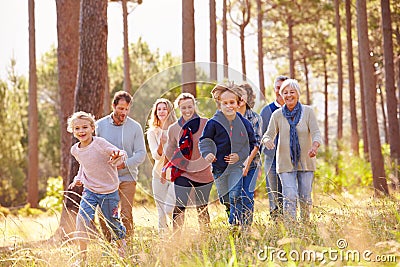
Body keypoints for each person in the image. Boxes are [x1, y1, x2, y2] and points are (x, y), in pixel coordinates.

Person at [67, 111, 127, 262]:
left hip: (109, 191)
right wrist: (78, 179)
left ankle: (122, 249)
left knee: (113, 222)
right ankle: (82, 258)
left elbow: (121, 153)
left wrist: (118, 155)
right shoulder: (75, 150)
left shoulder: (99, 143)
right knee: (81, 220)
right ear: (72, 131)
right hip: (90, 191)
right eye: (77, 128)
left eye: (85, 127)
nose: (81, 131)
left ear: (92, 128)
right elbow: (83, 166)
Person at [262, 79, 322, 222]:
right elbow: (267, 135)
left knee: (305, 197)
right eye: (285, 92)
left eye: (292, 92)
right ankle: (292, 228)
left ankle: (306, 225)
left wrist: (314, 146)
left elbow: (316, 133)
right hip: (285, 162)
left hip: (306, 161)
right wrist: (267, 141)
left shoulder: (308, 112)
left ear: (298, 94)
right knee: (289, 195)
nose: (288, 95)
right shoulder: (277, 115)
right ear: (281, 95)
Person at [199, 83, 256, 229]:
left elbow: (250, 143)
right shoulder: (213, 123)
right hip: (219, 168)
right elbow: (204, 141)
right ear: (220, 105)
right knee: (225, 198)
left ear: (238, 104)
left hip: (236, 167)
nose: (229, 106)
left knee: (235, 195)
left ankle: (234, 224)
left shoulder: (244, 123)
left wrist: (239, 155)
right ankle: (232, 213)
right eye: (225, 103)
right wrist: (208, 153)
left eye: (232, 103)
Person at [96, 91, 146, 238]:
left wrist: (124, 164)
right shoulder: (99, 126)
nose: (124, 112)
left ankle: (127, 246)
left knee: (125, 214)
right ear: (113, 106)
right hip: (105, 179)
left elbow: (141, 153)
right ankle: (109, 246)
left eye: (126, 109)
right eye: (121, 108)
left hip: (127, 178)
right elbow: (95, 150)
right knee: (104, 215)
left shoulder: (135, 127)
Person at [162, 93, 214, 232]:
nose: (187, 110)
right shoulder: (174, 128)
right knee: (180, 205)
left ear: (194, 106)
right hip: (183, 172)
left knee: (202, 207)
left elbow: (214, 143)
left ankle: (206, 235)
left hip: (204, 172)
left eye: (190, 106)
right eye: (183, 107)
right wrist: (164, 170)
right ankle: (177, 237)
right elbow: (170, 150)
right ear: (179, 108)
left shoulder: (206, 123)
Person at [146, 98, 177, 234]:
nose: (162, 111)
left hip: (176, 175)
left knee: (171, 208)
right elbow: (156, 156)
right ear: (155, 112)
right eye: (159, 109)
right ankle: (163, 240)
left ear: (169, 111)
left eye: (164, 108)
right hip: (158, 174)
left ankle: (178, 236)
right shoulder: (152, 132)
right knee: (161, 211)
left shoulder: (177, 128)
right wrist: (161, 143)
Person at [259, 75, 288, 219]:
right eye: (278, 88)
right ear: (274, 89)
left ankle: (293, 223)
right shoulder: (266, 111)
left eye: (284, 88)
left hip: (291, 159)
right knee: (274, 194)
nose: (280, 91)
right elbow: (259, 137)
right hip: (271, 160)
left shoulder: (296, 110)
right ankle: (277, 224)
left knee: (291, 193)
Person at [237, 83, 262, 227]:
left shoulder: (255, 118)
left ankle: (246, 228)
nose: (240, 98)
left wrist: (247, 163)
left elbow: (256, 144)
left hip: (251, 164)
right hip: (232, 165)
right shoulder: (229, 116)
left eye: (243, 95)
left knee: (247, 196)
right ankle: (235, 225)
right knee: (233, 197)